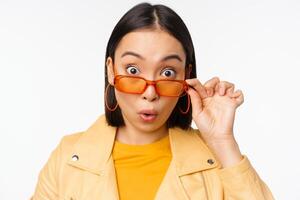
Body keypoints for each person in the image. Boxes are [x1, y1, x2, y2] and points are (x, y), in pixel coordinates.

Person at [31, 2, 274, 200]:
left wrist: (222, 142)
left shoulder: (214, 161)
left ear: (185, 77)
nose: (150, 93)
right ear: (110, 70)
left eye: (167, 72)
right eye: (133, 70)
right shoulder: (68, 158)